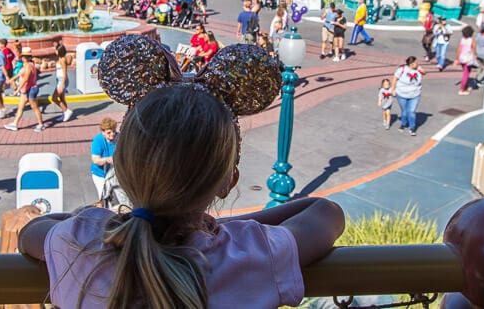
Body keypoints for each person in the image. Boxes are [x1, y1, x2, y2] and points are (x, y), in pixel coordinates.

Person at [18, 70, 345, 308]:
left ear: (122, 168)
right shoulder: (251, 251)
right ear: (228, 181)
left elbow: (31, 232)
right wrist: (227, 227)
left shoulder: (82, 238)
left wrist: (110, 221)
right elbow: (325, 212)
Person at [4, 47, 46, 132]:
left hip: (31, 89)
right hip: (26, 90)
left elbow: (25, 79)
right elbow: (20, 74)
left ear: (25, 57)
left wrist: (17, 90)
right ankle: (15, 124)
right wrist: (12, 79)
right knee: (20, 107)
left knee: (35, 107)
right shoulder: (26, 65)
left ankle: (41, 124)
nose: (21, 58)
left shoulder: (29, 66)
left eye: (22, 56)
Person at [391, 56, 426, 136]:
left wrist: (421, 70)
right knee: (404, 111)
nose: (417, 64)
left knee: (411, 111)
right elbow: (394, 79)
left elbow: (425, 73)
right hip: (402, 93)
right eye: (416, 62)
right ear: (411, 64)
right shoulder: (402, 69)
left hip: (415, 94)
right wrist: (393, 90)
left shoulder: (418, 68)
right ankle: (403, 123)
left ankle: (412, 127)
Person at [90, 117, 118, 199]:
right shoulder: (98, 141)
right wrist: (107, 159)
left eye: (114, 131)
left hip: (114, 172)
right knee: (104, 194)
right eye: (109, 133)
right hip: (100, 174)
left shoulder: (118, 137)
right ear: (103, 132)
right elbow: (96, 160)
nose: (112, 134)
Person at [49, 38, 73, 123]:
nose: (55, 51)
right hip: (59, 80)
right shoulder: (59, 59)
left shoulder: (62, 60)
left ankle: (67, 111)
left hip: (61, 80)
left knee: (54, 98)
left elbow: (64, 72)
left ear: (59, 51)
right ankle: (65, 113)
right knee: (62, 98)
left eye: (56, 50)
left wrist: (62, 84)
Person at [456, 26, 476, 95]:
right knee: (466, 73)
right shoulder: (472, 40)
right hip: (468, 58)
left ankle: (465, 86)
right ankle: (462, 89)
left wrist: (456, 58)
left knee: (466, 71)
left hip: (462, 57)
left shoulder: (462, 40)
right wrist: (475, 56)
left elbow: (459, 49)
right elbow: (474, 50)